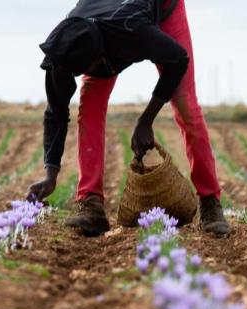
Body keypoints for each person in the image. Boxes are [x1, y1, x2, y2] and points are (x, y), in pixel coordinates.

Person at [28, 0, 230, 238]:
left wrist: (146, 120)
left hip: (164, 8)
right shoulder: (64, 46)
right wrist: (51, 175)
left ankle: (210, 202)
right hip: (105, 26)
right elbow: (56, 112)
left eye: (90, 68)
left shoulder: (131, 28)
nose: (87, 73)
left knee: (184, 103)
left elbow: (178, 59)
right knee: (90, 102)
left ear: (100, 57)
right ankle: (90, 203)